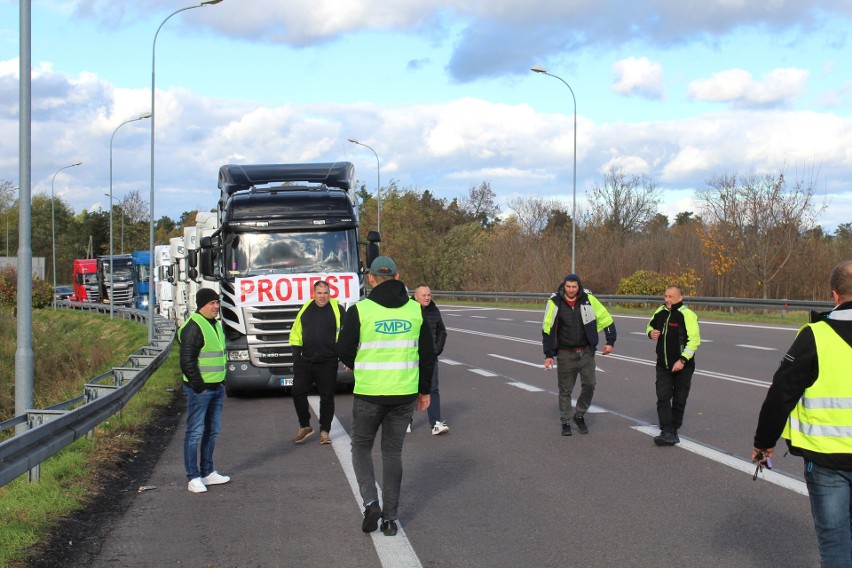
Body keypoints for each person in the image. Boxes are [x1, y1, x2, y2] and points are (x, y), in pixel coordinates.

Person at [753, 260, 852, 567]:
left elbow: (781, 393)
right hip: (828, 462)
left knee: (836, 544)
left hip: (827, 461)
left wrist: (764, 443)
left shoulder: (816, 336)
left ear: (834, 295)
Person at [336, 256, 435, 537]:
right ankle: (390, 519)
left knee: (361, 448)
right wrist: (425, 391)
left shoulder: (360, 310)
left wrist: (361, 364)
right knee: (392, 453)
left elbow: (342, 349)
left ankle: (370, 502)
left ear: (370, 278)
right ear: (397, 276)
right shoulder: (415, 311)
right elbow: (427, 355)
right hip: (403, 392)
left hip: (369, 392)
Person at [542, 273, 616, 436]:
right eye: (568, 286)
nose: (571, 290)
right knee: (565, 390)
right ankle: (566, 422)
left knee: (590, 384)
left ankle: (580, 414)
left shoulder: (589, 300)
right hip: (565, 353)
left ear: (579, 286)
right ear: (564, 286)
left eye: (574, 287)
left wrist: (610, 341)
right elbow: (547, 328)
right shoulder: (555, 302)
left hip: (586, 353)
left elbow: (606, 319)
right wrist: (549, 354)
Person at [179, 287, 230, 494]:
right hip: (200, 390)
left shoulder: (215, 324)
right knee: (194, 433)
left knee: (212, 431)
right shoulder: (194, 327)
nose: (216, 306)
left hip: (216, 387)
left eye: (217, 302)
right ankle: (193, 477)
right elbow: (187, 361)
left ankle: (208, 472)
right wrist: (199, 386)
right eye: (211, 303)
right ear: (202, 305)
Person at [290, 280, 344, 445]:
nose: (322, 297)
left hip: (328, 361)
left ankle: (325, 431)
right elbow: (296, 332)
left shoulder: (338, 309)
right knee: (297, 392)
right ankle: (305, 425)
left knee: (327, 397)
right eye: (319, 293)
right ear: (314, 294)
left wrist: (345, 356)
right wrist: (296, 356)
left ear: (330, 293)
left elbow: (347, 333)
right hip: (305, 360)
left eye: (325, 293)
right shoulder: (305, 308)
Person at [647, 285, 701, 446]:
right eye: (665, 296)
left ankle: (673, 430)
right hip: (663, 365)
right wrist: (650, 333)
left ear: (680, 297)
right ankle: (666, 431)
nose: (667, 300)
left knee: (679, 399)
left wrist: (683, 360)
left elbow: (694, 340)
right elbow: (650, 325)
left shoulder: (687, 315)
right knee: (663, 397)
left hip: (683, 366)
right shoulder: (660, 311)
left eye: (671, 296)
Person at [412, 284, 449, 435]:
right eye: (424, 295)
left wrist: (436, 350)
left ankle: (436, 423)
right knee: (410, 390)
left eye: (429, 295)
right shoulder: (408, 310)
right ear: (415, 296)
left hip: (430, 358)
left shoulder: (434, 310)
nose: (427, 298)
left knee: (433, 388)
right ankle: (406, 422)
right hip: (411, 357)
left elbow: (442, 332)